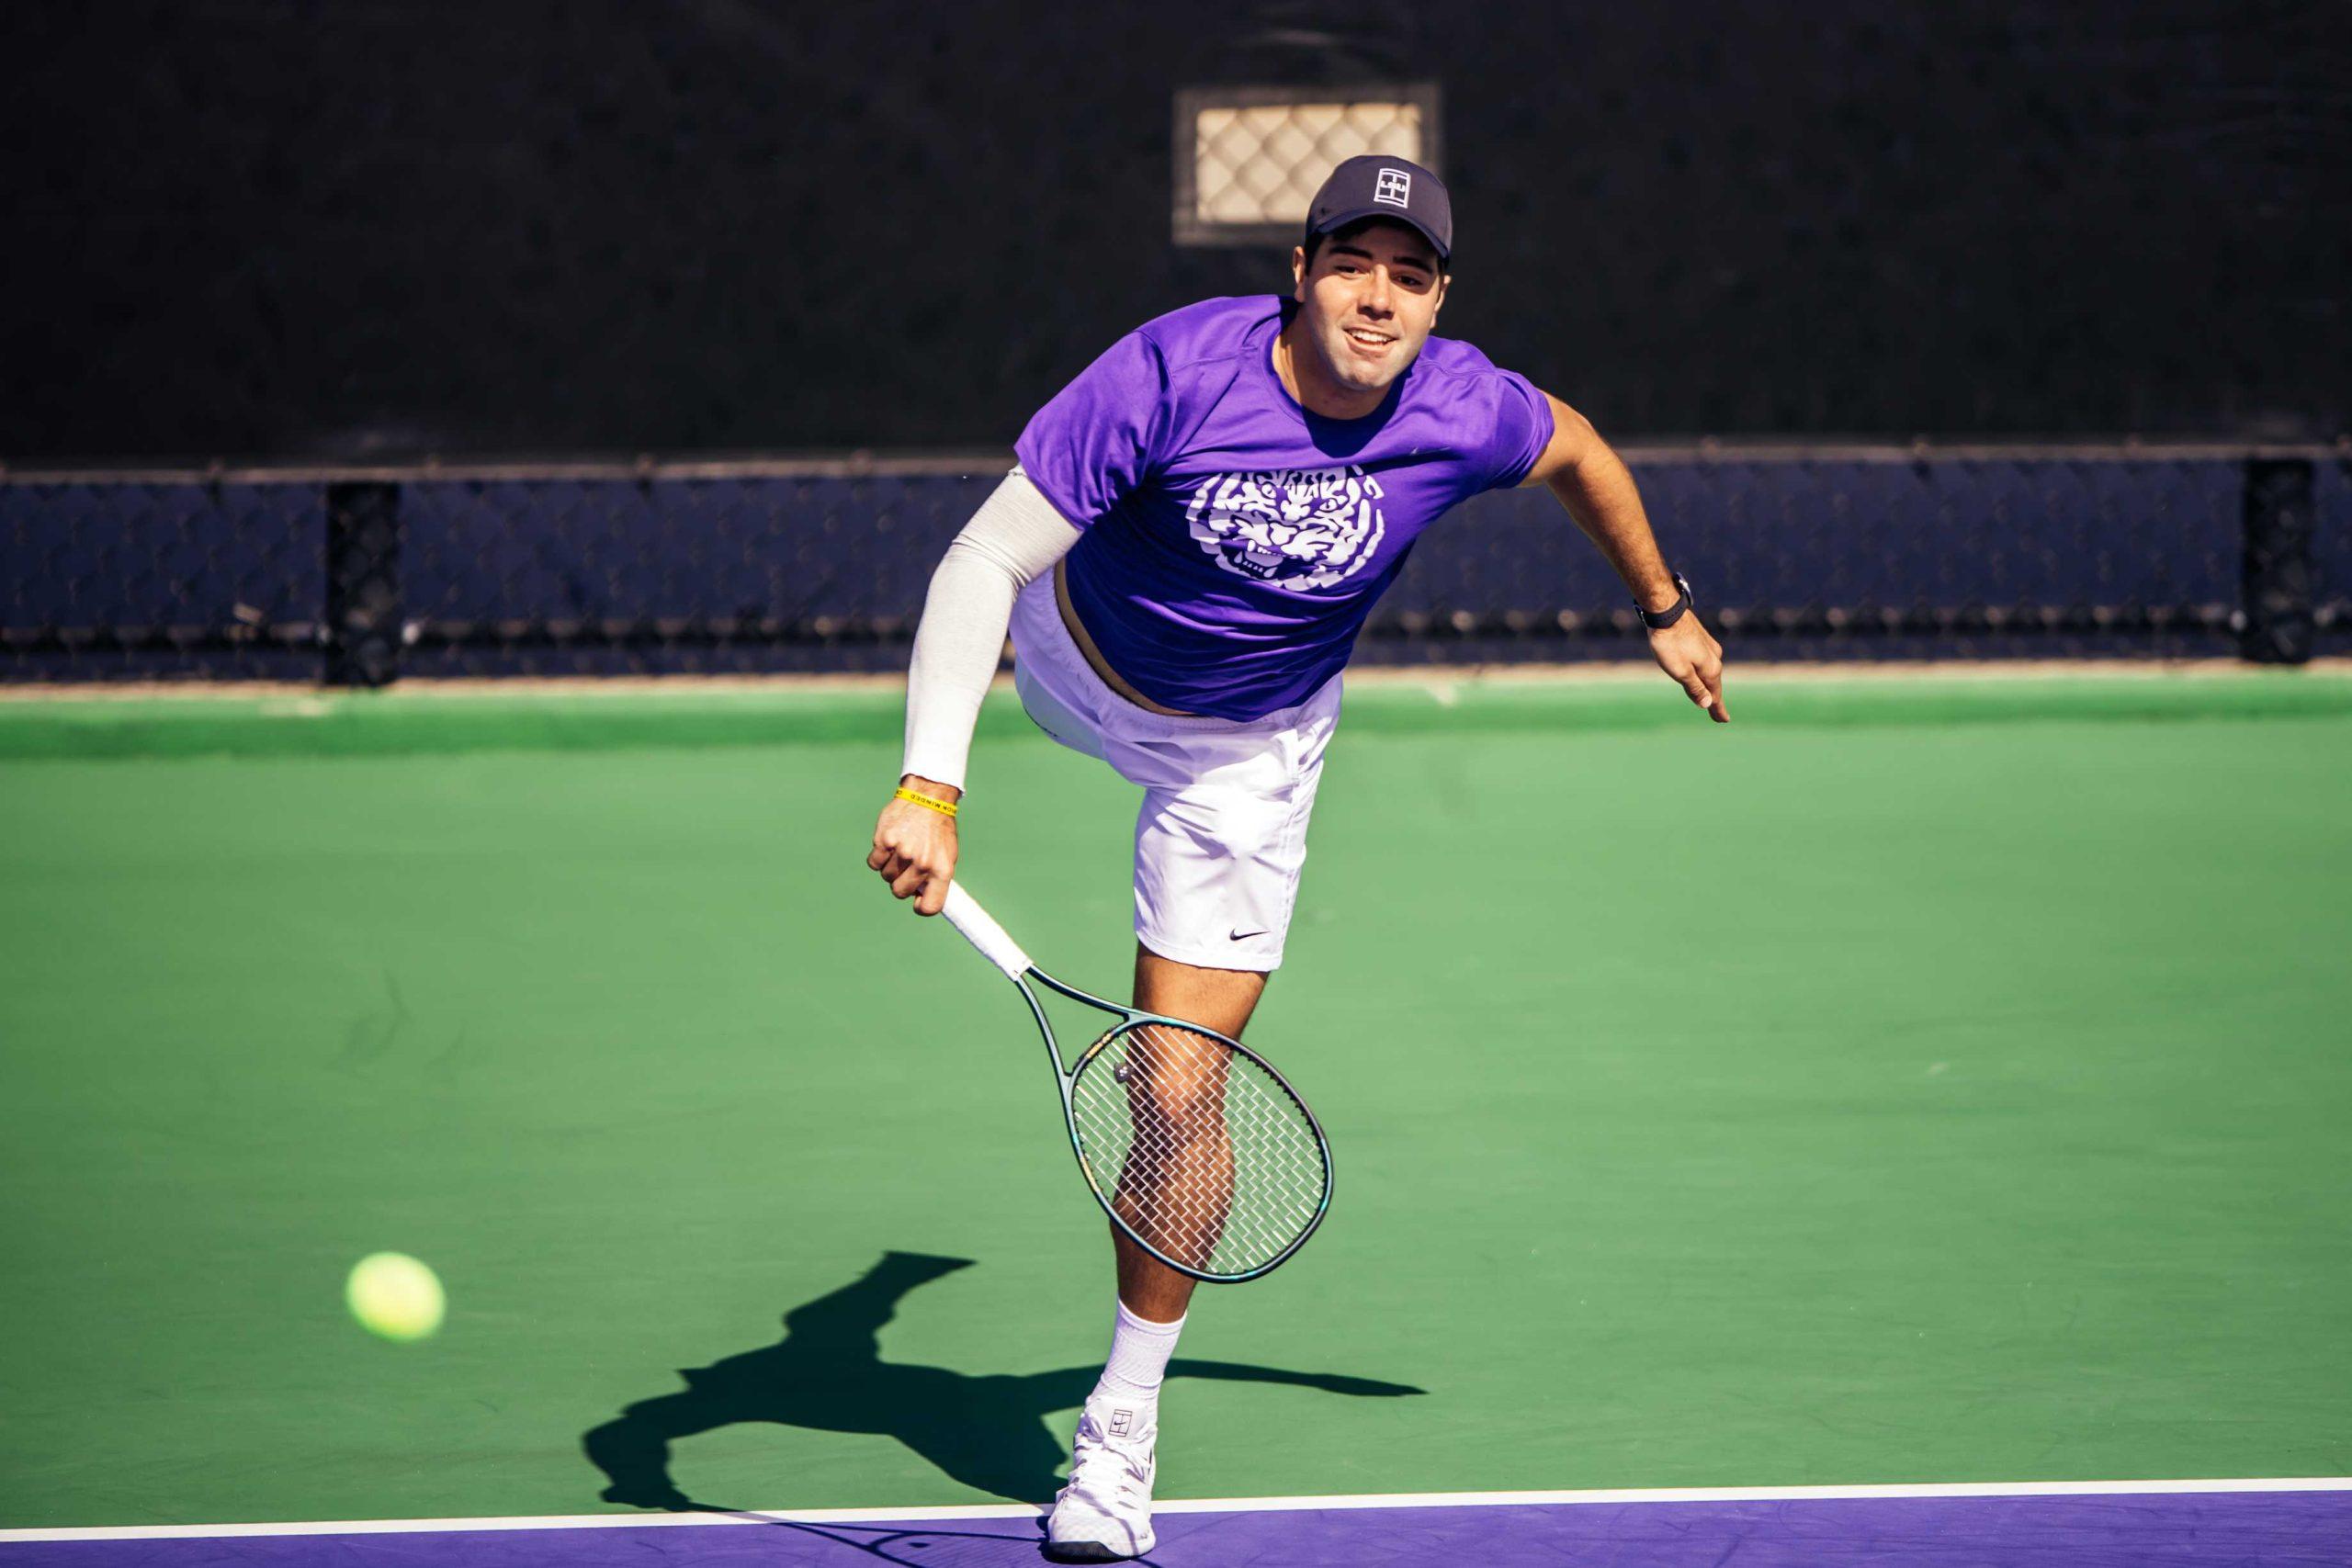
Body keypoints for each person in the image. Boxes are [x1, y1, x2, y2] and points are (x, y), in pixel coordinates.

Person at [866, 154, 1725, 1562]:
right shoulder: (1171, 373)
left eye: (1410, 274)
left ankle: (1118, 1436)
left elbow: (1579, 449)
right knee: (1003, 640)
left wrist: (1664, 605)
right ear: (1301, 269)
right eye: (1353, 263)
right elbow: (981, 559)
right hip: (1075, 667)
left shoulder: (1465, 405)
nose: (1377, 297)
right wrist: (929, 787)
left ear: (1440, 299)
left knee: (1175, 1084)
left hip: (1246, 757)